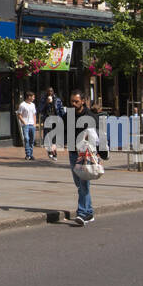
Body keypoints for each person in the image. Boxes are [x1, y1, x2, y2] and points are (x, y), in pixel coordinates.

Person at [66, 90, 105, 226]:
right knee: (79, 184)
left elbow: (97, 137)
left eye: (76, 101)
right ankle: (89, 212)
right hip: (72, 153)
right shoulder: (69, 114)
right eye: (72, 101)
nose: (73, 104)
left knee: (83, 183)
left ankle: (82, 213)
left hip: (85, 154)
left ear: (83, 101)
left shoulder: (90, 116)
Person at [39, 88, 63, 161]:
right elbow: (40, 109)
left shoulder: (57, 100)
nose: (50, 92)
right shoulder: (43, 100)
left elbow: (60, 109)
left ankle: (55, 153)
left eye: (51, 91)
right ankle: (49, 151)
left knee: (54, 138)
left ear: (53, 92)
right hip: (47, 119)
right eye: (48, 91)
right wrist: (46, 103)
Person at [17, 91, 38, 161]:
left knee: (32, 140)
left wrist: (35, 123)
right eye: (33, 97)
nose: (34, 98)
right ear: (29, 97)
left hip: (32, 124)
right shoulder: (22, 105)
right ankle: (28, 154)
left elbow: (34, 114)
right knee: (26, 138)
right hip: (25, 125)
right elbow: (19, 114)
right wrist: (24, 122)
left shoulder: (33, 105)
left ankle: (31, 155)